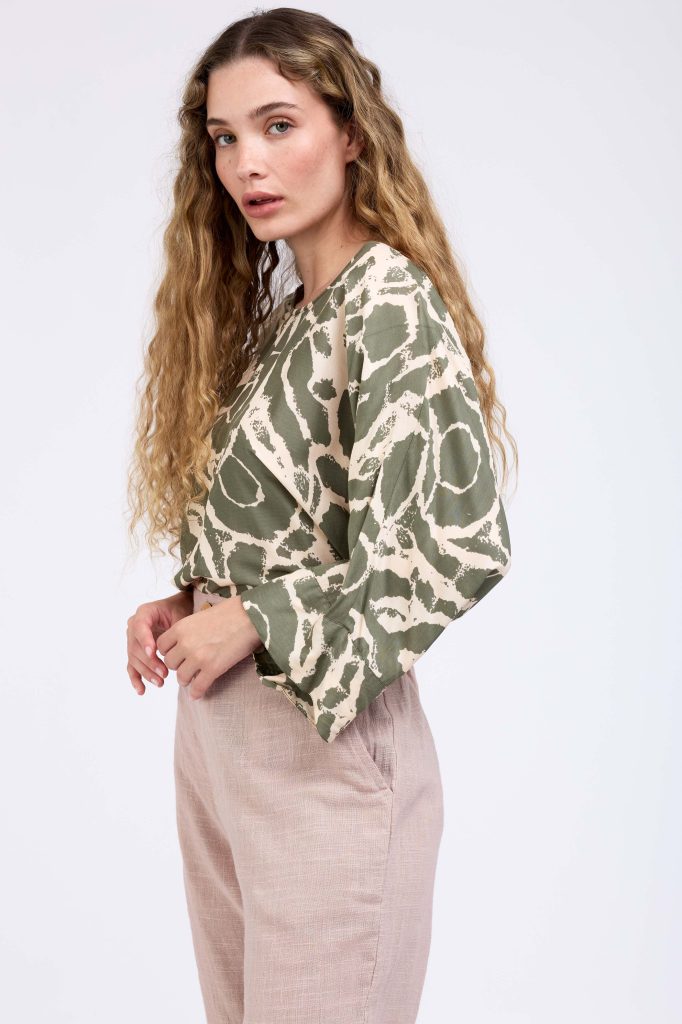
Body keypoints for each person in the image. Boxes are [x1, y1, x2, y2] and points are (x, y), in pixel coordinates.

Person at [126, 8, 516, 1023]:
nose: (246, 163)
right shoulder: (294, 318)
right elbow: (301, 524)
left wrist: (256, 617)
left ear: (349, 132)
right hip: (223, 742)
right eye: (224, 138)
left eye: (277, 125)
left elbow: (455, 543)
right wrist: (191, 599)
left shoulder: (387, 303)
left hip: (321, 746)